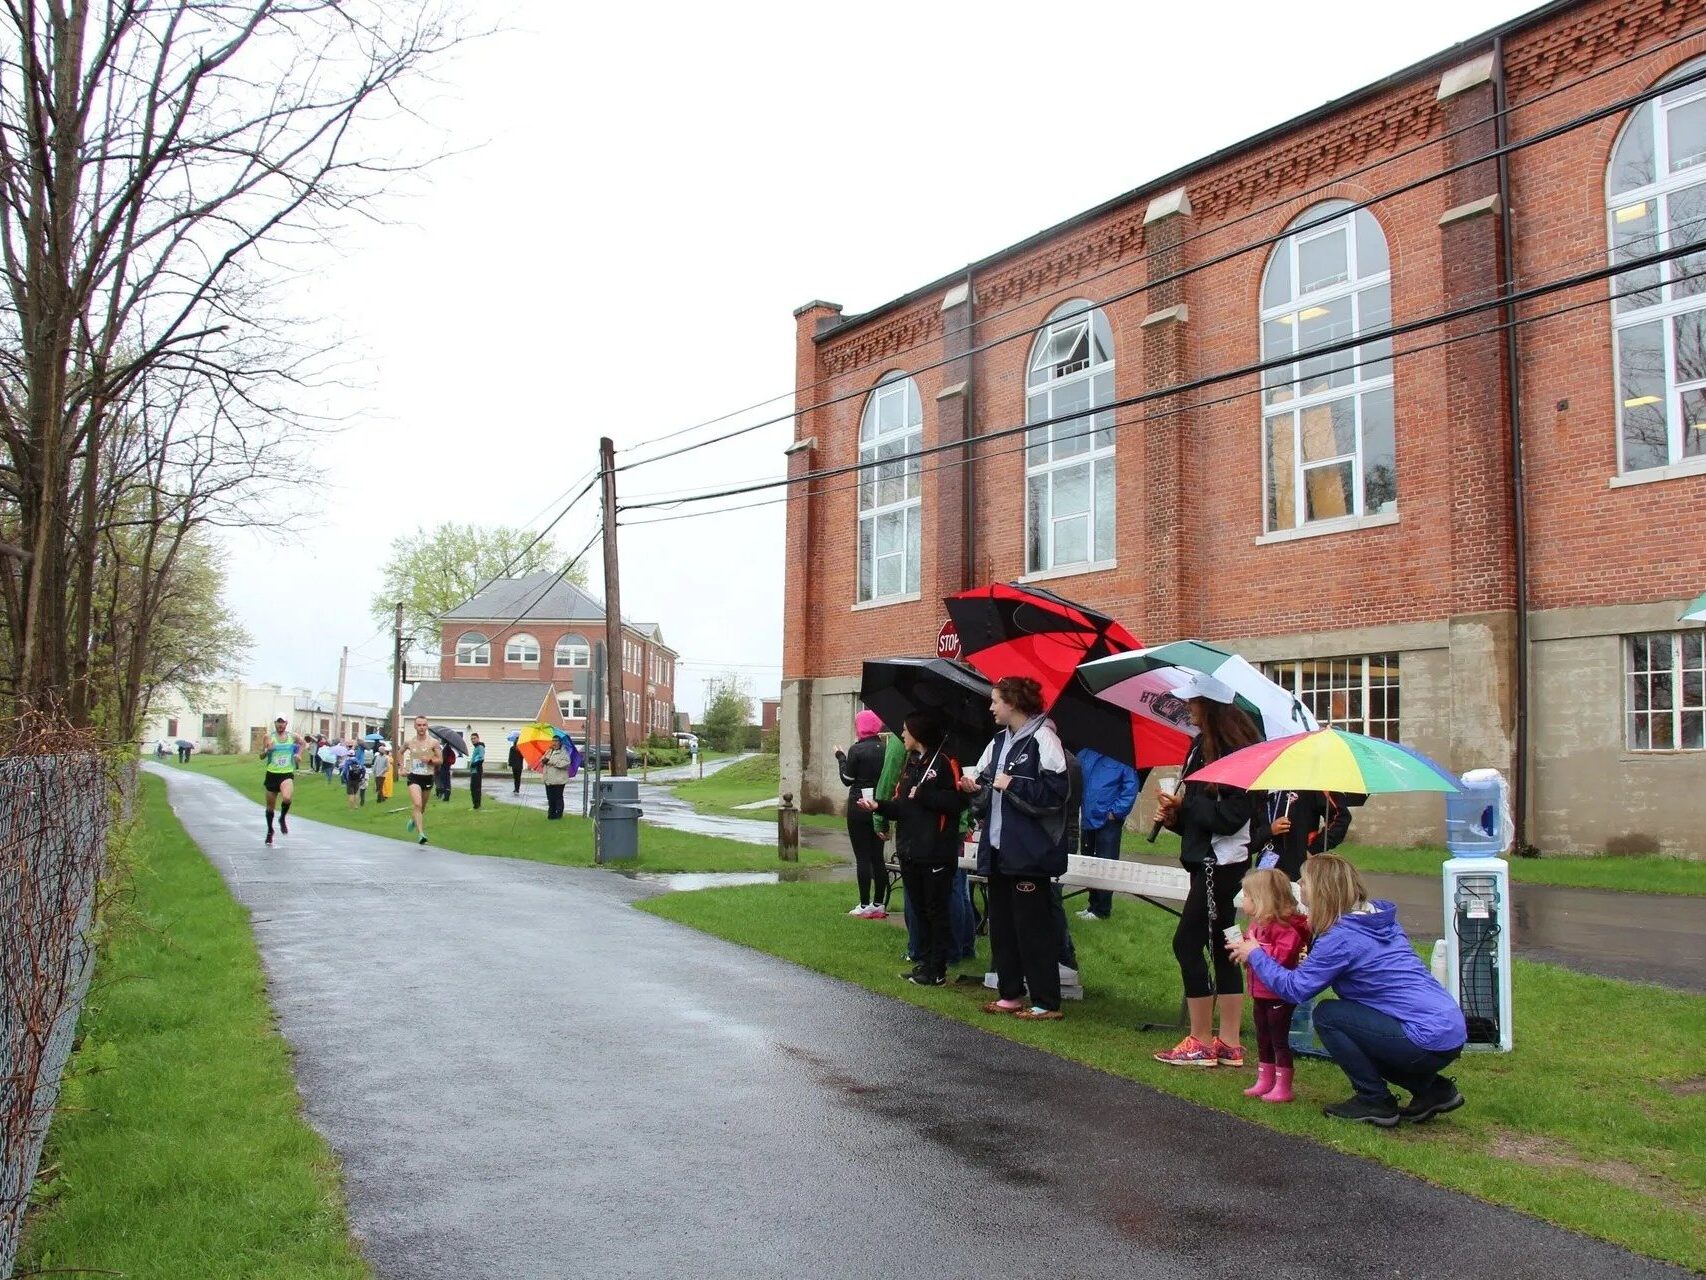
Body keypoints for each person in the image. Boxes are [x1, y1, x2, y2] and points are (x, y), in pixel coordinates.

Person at [1229, 855, 1467, 1127]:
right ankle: (1433, 1090)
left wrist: (1256, 954)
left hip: (1422, 1036)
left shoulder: (1342, 936)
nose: (1299, 885)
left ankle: (1374, 1100)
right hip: (1448, 1028)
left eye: (1304, 881)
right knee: (1365, 1033)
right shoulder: (1375, 918)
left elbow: (1296, 989)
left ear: (1321, 890)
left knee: (1329, 1015)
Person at [1152, 672, 1263, 1068]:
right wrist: (1175, 819)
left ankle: (1201, 1039)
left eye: (1194, 701)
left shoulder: (1238, 752)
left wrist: (1188, 809)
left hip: (1224, 863)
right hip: (1206, 859)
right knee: (1221, 944)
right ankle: (1229, 1043)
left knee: (1186, 943)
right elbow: (1202, 812)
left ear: (1211, 706)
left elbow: (1232, 816)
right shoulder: (1200, 745)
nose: (1187, 707)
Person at [958, 675, 1069, 1021]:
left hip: (1030, 854)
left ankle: (1046, 1001)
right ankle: (1010, 994)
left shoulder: (1044, 739)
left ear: (1014, 703)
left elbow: (1057, 795)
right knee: (1003, 926)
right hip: (998, 850)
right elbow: (986, 785)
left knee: (1032, 929)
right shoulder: (996, 742)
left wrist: (1013, 784)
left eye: (995, 701)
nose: (990, 707)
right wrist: (972, 786)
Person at [858, 711, 967, 987]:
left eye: (906, 730)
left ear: (918, 733)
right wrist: (879, 806)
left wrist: (925, 794)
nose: (902, 735)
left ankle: (938, 969)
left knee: (935, 910)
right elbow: (903, 806)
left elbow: (957, 803)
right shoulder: (912, 765)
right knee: (919, 911)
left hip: (935, 850)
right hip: (910, 849)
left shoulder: (945, 762)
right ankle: (925, 963)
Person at [1236, 869, 1310, 1103]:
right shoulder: (1255, 926)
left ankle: (1283, 1084)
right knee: (1262, 1036)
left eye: (1246, 895)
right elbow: (1252, 949)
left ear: (1261, 900)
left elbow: (1283, 957)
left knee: (1279, 1040)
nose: (1242, 900)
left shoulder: (1285, 929)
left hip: (1278, 996)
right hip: (1259, 992)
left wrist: (1256, 952)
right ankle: (1265, 1078)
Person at [834, 709, 889, 919]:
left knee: (862, 857)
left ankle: (865, 904)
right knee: (878, 857)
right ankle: (879, 903)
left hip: (858, 806)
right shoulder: (884, 749)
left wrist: (840, 757)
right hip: (878, 805)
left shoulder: (856, 750)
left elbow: (847, 779)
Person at [1075, 747, 1140, 920]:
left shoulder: (1122, 758)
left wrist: (1115, 812)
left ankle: (1102, 909)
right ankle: (1092, 905)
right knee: (1090, 862)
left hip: (1108, 821)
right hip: (1088, 816)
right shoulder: (1085, 754)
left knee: (1106, 863)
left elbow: (1130, 787)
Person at [1249, 789, 1363, 880]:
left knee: (1294, 907)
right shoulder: (1260, 788)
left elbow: (1340, 818)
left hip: (1300, 868)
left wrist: (1314, 848)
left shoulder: (1311, 782)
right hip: (1266, 866)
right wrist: (1269, 831)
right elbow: (1250, 835)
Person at [258, 716, 303, 847]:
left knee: (287, 798)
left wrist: (299, 754)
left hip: (286, 773)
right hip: (272, 773)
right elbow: (261, 756)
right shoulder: (268, 737)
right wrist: (267, 750)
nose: (280, 725)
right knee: (270, 808)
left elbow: (304, 743)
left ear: (286, 723)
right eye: (278, 722)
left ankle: (282, 818)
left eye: (283, 722)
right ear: (275, 723)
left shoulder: (292, 736)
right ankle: (269, 831)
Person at [400, 716, 440, 845]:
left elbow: (440, 760)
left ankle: (414, 819)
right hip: (414, 777)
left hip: (427, 777)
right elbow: (400, 753)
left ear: (427, 726)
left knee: (421, 808)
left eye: (424, 725)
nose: (421, 728)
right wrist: (401, 768)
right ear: (415, 726)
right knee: (417, 804)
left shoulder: (433, 742)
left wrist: (429, 760)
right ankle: (421, 835)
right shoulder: (409, 742)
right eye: (419, 725)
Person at [541, 739, 570, 818]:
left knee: (558, 797)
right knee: (550, 797)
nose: (554, 743)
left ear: (560, 742)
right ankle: (551, 814)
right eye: (553, 741)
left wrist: (551, 762)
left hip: (559, 780)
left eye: (556, 741)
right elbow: (543, 761)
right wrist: (543, 761)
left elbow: (566, 763)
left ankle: (559, 814)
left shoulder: (563, 752)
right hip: (548, 779)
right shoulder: (549, 751)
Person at [342, 746, 367, 811]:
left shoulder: (347, 762)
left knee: (351, 794)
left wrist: (345, 779)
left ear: (348, 755)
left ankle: (351, 808)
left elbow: (344, 771)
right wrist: (362, 777)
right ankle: (356, 805)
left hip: (350, 779)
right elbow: (363, 769)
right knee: (356, 793)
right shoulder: (357, 761)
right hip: (357, 779)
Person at [468, 733, 486, 810]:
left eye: (474, 738)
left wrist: (474, 764)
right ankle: (475, 805)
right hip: (474, 770)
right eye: (471, 739)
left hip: (477, 769)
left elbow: (481, 759)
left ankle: (477, 805)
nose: (473, 740)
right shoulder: (476, 747)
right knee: (473, 788)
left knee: (476, 788)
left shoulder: (480, 747)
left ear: (478, 738)